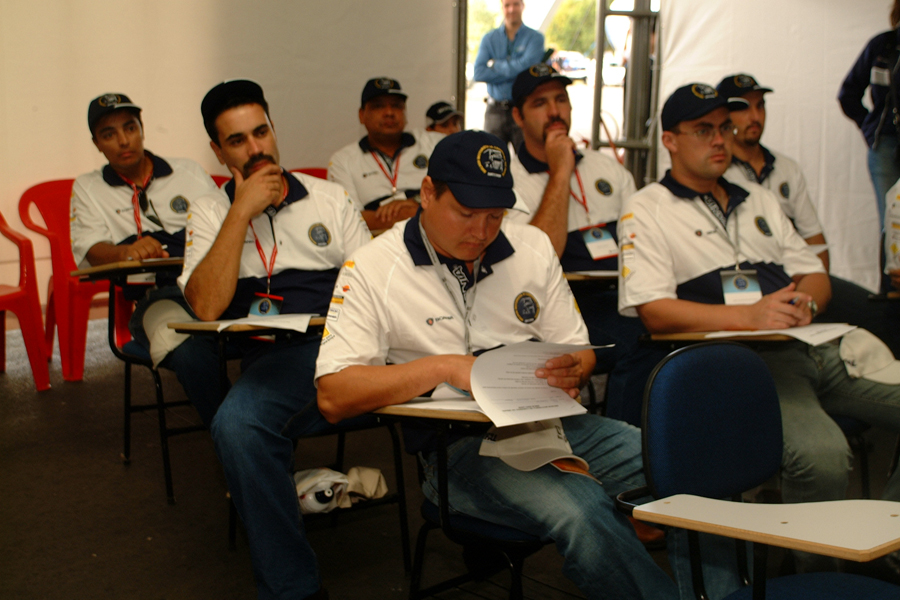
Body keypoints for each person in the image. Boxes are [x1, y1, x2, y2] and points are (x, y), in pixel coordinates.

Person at [315, 130, 697, 600]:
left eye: (495, 215)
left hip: (550, 425)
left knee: (694, 461)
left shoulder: (530, 245)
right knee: (582, 509)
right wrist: (445, 368)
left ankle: (723, 594)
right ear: (428, 194)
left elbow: (582, 350)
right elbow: (333, 395)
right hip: (457, 450)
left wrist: (571, 367)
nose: (481, 231)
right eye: (466, 213)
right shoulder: (374, 267)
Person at [618, 82, 900, 579]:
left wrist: (806, 301)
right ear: (669, 140)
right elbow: (655, 313)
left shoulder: (760, 199)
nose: (720, 139)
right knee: (823, 456)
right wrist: (748, 318)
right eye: (703, 130)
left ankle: (887, 554)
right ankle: (823, 579)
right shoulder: (648, 208)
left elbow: (813, 271)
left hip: (811, 346)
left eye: (724, 127)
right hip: (745, 364)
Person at [179, 79, 371, 600]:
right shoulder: (208, 212)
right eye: (237, 141)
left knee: (240, 427)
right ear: (218, 153)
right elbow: (206, 306)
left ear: (273, 129)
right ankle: (296, 589)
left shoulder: (331, 199)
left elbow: (378, 289)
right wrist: (240, 211)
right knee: (239, 427)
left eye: (261, 131)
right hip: (271, 359)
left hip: (337, 344)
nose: (256, 148)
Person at [504, 63, 653, 426]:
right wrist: (561, 171)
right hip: (554, 307)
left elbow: (645, 244)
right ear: (518, 116)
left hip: (622, 296)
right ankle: (629, 449)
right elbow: (539, 261)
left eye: (561, 99)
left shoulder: (609, 169)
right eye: (540, 103)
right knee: (642, 341)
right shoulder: (508, 178)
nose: (555, 112)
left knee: (669, 333)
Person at [719, 73, 900, 357]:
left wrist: (815, 290)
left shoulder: (786, 168)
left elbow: (815, 240)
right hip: (746, 278)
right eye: (743, 107)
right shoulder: (716, 173)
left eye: (761, 105)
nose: (755, 116)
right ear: (723, 116)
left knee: (882, 313)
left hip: (799, 275)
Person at [70, 92, 221, 421]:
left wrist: (178, 242)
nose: (124, 140)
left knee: (277, 329)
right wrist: (125, 251)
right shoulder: (88, 187)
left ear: (142, 129)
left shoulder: (187, 172)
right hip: (159, 297)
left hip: (217, 285)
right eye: (109, 134)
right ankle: (240, 436)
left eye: (130, 127)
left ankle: (260, 431)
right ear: (96, 143)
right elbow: (91, 249)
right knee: (192, 351)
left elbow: (223, 226)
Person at [327, 78, 444, 232]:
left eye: (396, 106)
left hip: (433, 239)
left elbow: (455, 199)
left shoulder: (433, 144)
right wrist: (420, 211)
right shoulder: (342, 161)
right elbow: (349, 221)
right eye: (378, 106)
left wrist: (416, 202)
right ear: (362, 115)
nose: (389, 113)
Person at [839, 1, 900, 278]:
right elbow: (848, 93)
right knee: (893, 219)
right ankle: (891, 293)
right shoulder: (883, 45)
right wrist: (869, 127)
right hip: (885, 144)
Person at [473, 0, 546, 149]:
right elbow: (479, 73)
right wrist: (517, 70)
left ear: (522, 6)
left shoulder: (535, 38)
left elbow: (528, 70)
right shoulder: (489, 39)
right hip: (495, 111)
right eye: (507, 5)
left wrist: (496, 65)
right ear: (502, 8)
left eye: (515, 4)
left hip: (523, 109)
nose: (511, 9)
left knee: (528, 162)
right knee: (491, 162)